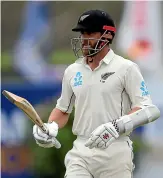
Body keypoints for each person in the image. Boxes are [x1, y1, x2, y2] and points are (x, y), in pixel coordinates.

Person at [33, 9, 160, 178]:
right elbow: (63, 109)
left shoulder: (126, 68)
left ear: (107, 36)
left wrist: (117, 126)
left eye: (90, 33)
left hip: (115, 150)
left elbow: (149, 110)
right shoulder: (72, 71)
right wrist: (51, 127)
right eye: (82, 33)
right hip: (81, 151)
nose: (84, 39)